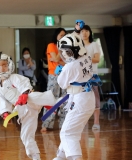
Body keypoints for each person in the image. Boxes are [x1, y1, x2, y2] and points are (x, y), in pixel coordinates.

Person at [0, 52, 58, 160]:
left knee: (30, 96)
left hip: (30, 100)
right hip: (23, 110)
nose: (1, 68)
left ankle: (53, 102)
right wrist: (5, 112)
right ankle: (35, 156)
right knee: (25, 135)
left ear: (9, 65)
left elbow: (24, 84)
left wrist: (24, 94)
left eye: (4, 65)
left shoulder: (13, 77)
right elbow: (4, 101)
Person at [53, 21, 98, 160]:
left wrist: (60, 72)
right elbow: (74, 41)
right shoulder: (86, 58)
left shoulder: (70, 66)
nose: (63, 54)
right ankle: (60, 156)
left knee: (67, 133)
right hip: (88, 98)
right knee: (74, 130)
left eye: (64, 51)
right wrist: (76, 30)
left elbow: (62, 84)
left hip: (79, 100)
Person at [41, 28, 67, 132]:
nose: (63, 37)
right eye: (61, 35)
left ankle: (64, 125)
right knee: (51, 99)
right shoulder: (51, 45)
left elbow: (67, 63)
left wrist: (59, 61)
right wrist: (59, 56)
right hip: (54, 75)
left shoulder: (67, 48)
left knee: (65, 100)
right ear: (56, 35)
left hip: (65, 75)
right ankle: (46, 124)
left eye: (64, 35)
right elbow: (56, 59)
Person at [80, 25, 101, 130]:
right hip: (81, 76)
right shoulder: (78, 46)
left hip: (93, 75)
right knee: (82, 99)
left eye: (86, 31)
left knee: (95, 97)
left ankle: (96, 122)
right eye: (82, 31)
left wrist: (85, 58)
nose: (84, 33)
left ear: (89, 32)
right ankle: (84, 122)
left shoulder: (94, 44)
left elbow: (97, 59)